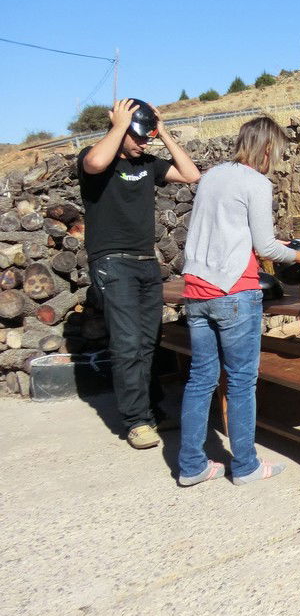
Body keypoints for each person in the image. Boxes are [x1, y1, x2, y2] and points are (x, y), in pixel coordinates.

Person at [177, 117, 300, 486]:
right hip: (234, 291)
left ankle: (191, 466)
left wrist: (279, 248)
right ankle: (245, 466)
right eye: (278, 152)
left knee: (200, 379)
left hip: (195, 290)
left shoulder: (212, 175)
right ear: (268, 148)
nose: (277, 160)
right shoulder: (256, 182)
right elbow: (265, 247)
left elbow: (232, 231)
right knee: (241, 382)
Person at [79, 98, 201, 450]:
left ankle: (150, 409)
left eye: (148, 138)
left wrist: (162, 134)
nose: (144, 144)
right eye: (140, 137)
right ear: (119, 130)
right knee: (128, 342)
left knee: (148, 340)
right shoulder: (96, 157)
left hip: (146, 261)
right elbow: (96, 161)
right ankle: (136, 421)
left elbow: (191, 175)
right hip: (111, 260)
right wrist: (120, 125)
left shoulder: (149, 162)